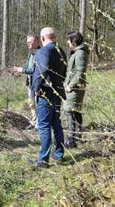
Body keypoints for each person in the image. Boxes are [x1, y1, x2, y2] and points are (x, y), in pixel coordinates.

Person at [31, 27, 67, 168]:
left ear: (42, 38)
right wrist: (59, 83)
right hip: (58, 91)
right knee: (56, 124)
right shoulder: (61, 51)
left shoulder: (43, 51)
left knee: (44, 126)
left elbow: (43, 69)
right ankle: (59, 154)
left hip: (46, 93)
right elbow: (65, 70)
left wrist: (37, 88)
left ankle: (43, 160)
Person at [63, 31, 89, 148]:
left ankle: (71, 140)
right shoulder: (77, 52)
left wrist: (70, 85)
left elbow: (79, 72)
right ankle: (77, 138)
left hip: (75, 88)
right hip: (75, 87)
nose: (67, 42)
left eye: (69, 39)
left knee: (69, 111)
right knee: (75, 110)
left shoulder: (80, 53)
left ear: (74, 40)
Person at [12, 34, 41, 129]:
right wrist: (19, 70)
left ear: (37, 42)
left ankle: (39, 123)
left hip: (37, 83)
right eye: (27, 42)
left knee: (37, 103)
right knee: (31, 103)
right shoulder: (30, 53)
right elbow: (28, 67)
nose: (28, 44)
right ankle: (34, 121)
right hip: (30, 83)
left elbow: (34, 69)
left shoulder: (40, 53)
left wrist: (22, 70)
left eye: (30, 42)